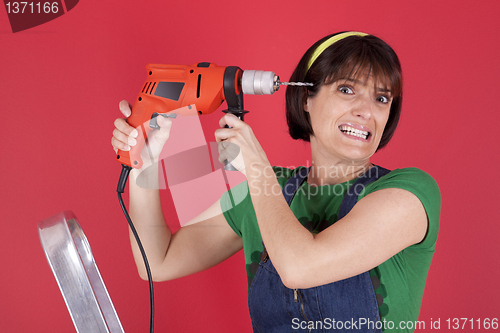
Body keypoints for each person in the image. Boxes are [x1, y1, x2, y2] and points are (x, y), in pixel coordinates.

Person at [111, 32, 440, 332]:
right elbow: (158, 260)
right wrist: (144, 167)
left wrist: (255, 166)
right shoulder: (267, 189)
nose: (366, 111)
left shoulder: (409, 194)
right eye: (346, 89)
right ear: (306, 100)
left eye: (381, 98)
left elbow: (299, 267)